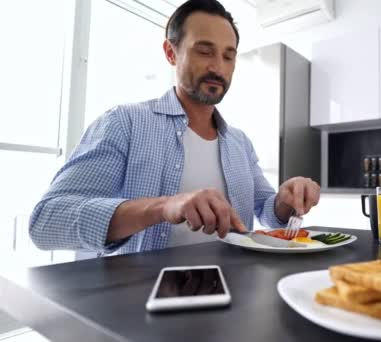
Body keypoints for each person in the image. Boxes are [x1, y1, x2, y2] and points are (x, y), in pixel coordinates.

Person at [29, 0, 320, 255]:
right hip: (143, 304)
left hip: (235, 297)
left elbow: (268, 213)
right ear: (171, 52)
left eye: (228, 56)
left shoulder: (239, 143)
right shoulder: (124, 123)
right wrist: (163, 207)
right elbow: (46, 221)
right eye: (204, 51)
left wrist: (284, 200)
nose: (218, 67)